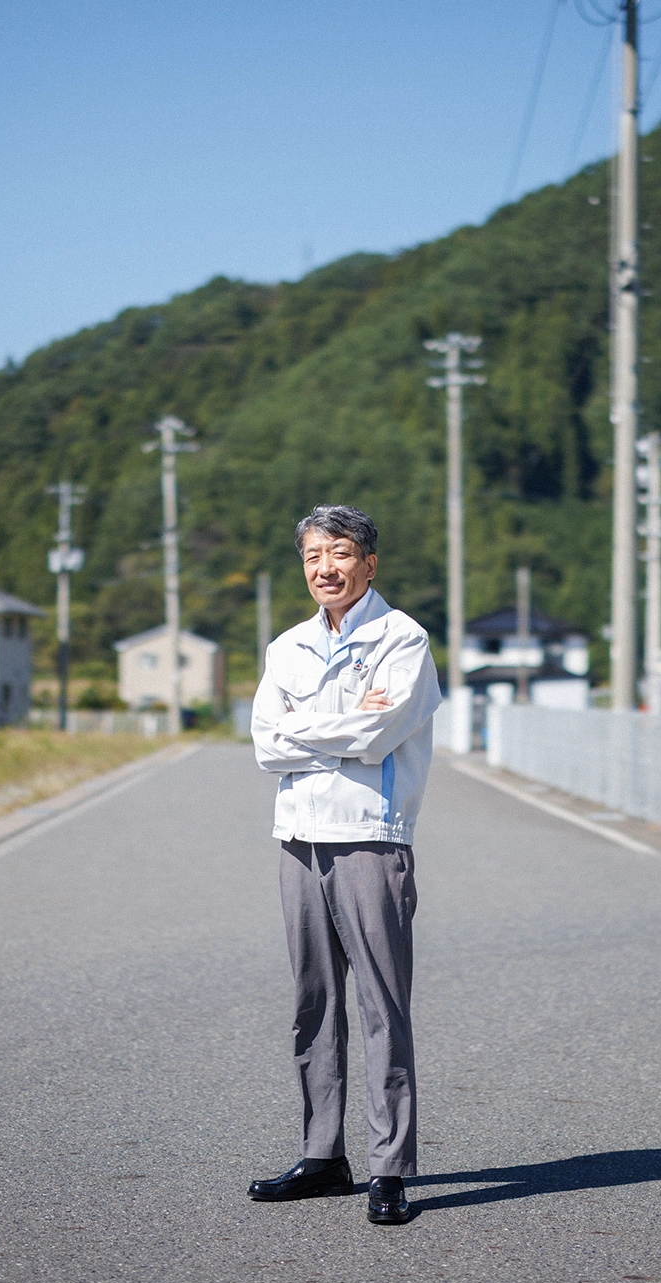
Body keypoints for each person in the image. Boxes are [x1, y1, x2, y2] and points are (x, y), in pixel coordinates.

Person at [247, 504, 441, 1225]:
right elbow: (265, 744)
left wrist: (308, 728)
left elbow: (379, 732)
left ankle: (390, 1167)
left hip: (371, 835)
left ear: (369, 562)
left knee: (382, 1005)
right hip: (298, 837)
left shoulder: (403, 639)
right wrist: (343, 727)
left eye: (339, 553)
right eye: (312, 556)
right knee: (313, 1003)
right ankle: (323, 1155)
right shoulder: (288, 647)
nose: (325, 568)